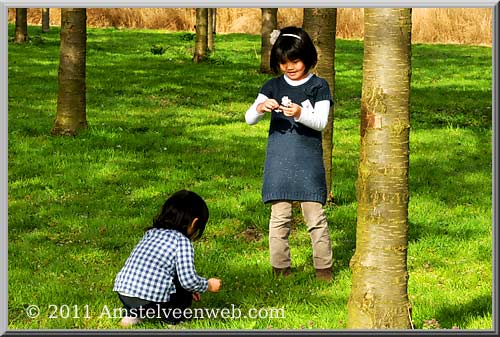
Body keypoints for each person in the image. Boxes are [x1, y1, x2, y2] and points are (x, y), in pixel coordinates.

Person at [245, 26, 333, 281]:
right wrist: (261, 106)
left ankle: (323, 270)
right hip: (278, 163)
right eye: (283, 62)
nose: (289, 67)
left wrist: (299, 113)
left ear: (308, 57)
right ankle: (280, 269)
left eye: (295, 60)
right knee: (279, 218)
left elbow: (321, 122)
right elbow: (249, 118)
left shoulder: (318, 86)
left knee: (315, 218)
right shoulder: (272, 86)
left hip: (308, 163)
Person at [113, 189, 222, 327]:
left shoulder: (151, 233)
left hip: (125, 292)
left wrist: (191, 289)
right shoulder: (182, 241)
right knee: (182, 294)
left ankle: (131, 316)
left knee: (165, 285)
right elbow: (187, 280)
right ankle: (173, 320)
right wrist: (207, 285)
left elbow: (158, 270)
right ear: (194, 223)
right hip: (150, 299)